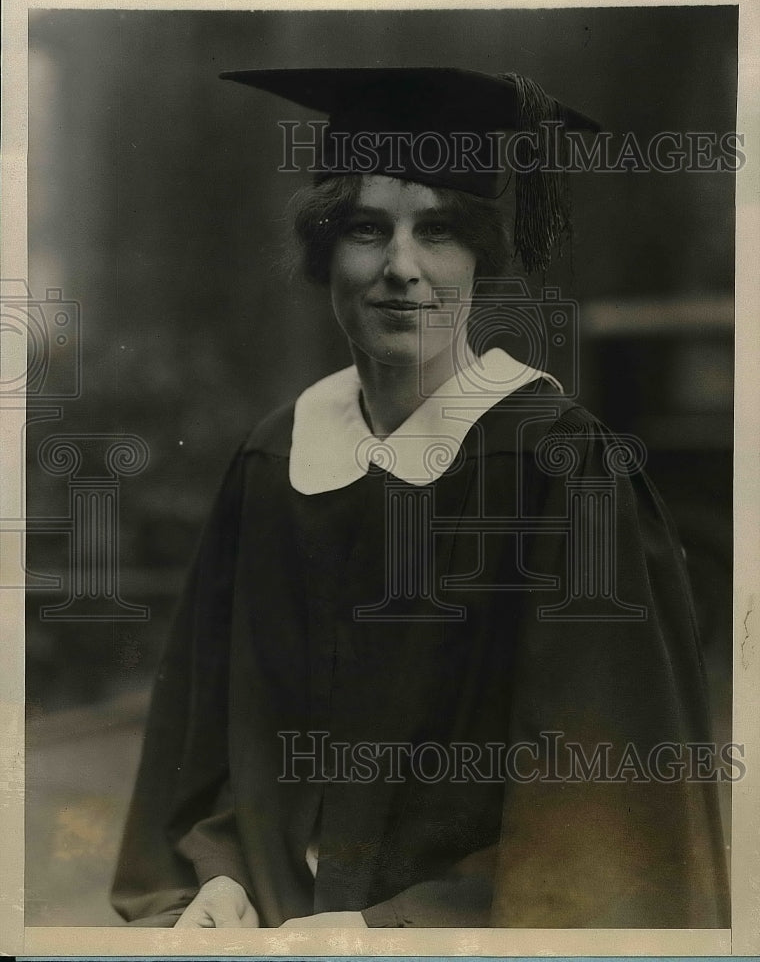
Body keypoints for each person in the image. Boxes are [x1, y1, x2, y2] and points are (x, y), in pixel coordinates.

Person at [111, 68, 730, 928]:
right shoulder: (277, 457)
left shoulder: (560, 467)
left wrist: (392, 930)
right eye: (368, 230)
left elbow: (603, 820)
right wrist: (219, 876)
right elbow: (207, 749)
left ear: (482, 253)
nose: (402, 269)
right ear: (325, 252)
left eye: (437, 231)